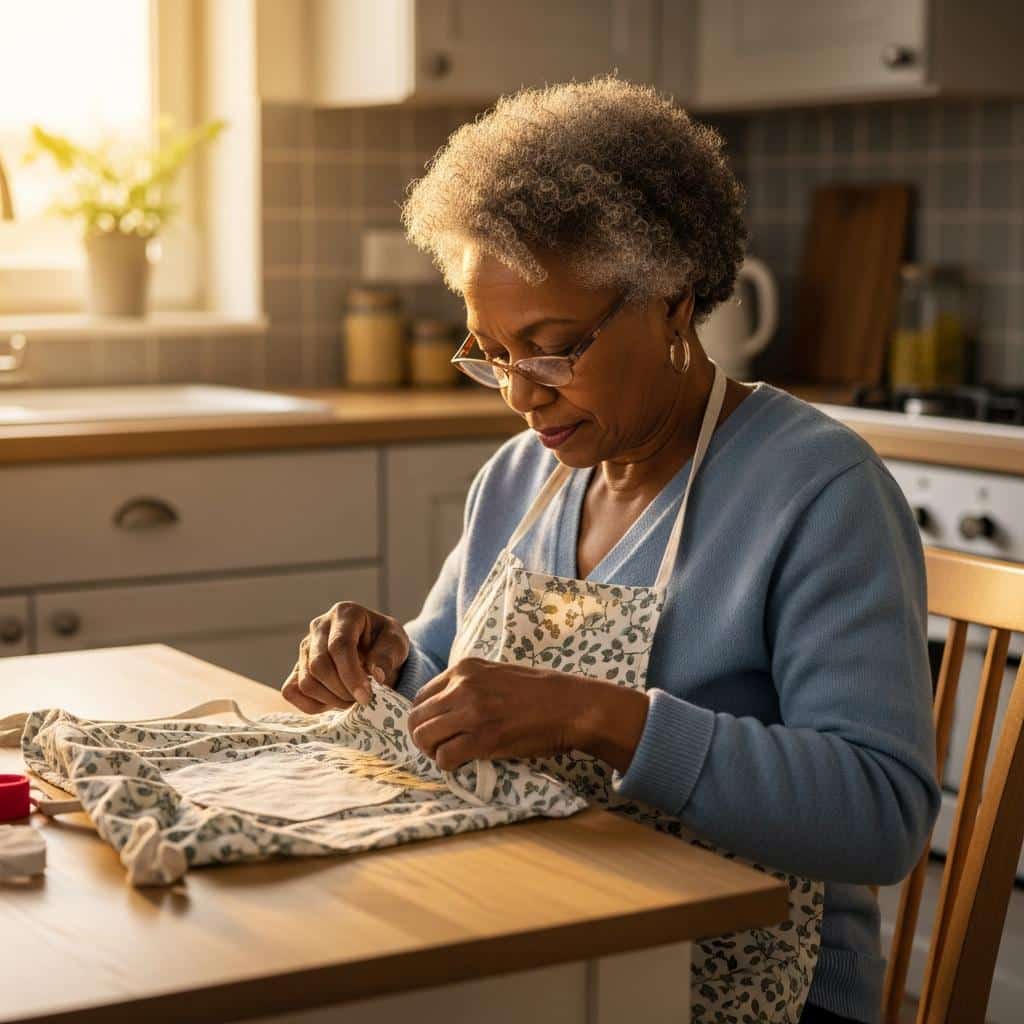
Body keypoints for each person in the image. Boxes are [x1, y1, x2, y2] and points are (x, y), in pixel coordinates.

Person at [282, 76, 939, 1024]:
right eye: (489, 352)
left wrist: (605, 719)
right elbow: (444, 666)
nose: (519, 394)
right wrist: (383, 657)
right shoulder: (518, 476)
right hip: (537, 939)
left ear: (673, 302)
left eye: (552, 348)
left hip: (745, 994)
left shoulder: (819, 493)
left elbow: (881, 818)